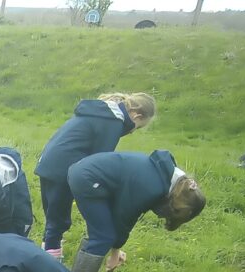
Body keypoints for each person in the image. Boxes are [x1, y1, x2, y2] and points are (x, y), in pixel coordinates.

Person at [68, 149, 205, 272]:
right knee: (103, 236)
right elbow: (124, 216)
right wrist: (115, 252)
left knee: (100, 234)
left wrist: (116, 249)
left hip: (88, 173)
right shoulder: (151, 187)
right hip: (87, 179)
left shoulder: (168, 176)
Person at [35, 92, 156, 261]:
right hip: (63, 168)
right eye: (139, 126)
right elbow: (99, 162)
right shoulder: (112, 122)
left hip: (49, 162)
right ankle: (48, 264)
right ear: (136, 115)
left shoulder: (101, 112)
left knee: (54, 216)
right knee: (58, 220)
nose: (133, 131)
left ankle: (48, 254)